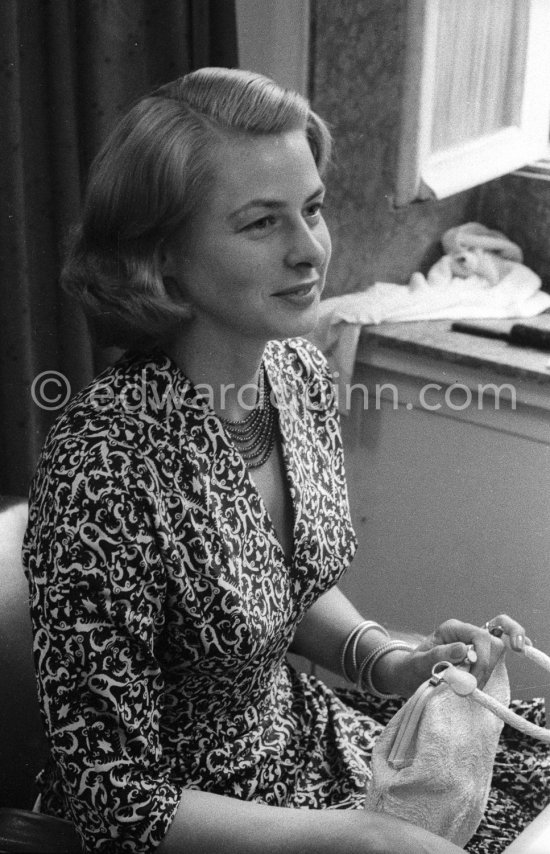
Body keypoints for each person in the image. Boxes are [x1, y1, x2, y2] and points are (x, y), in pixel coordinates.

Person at [23, 67, 549, 854]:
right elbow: (113, 797)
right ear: (160, 257)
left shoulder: (295, 373)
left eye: (312, 210)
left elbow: (280, 592)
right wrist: (356, 841)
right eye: (263, 223)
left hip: (304, 744)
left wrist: (388, 660)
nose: (309, 251)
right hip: (206, 823)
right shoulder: (103, 467)